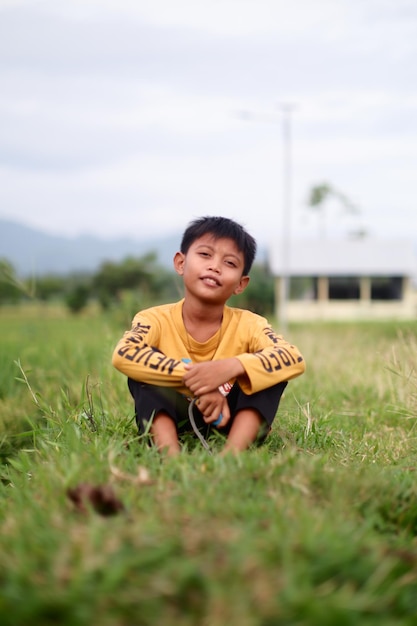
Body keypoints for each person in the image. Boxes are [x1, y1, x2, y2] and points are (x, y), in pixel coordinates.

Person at [112, 216, 305, 456]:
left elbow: (292, 357)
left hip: (229, 419)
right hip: (176, 414)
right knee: (142, 372)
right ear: (181, 263)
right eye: (205, 254)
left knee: (270, 374)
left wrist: (232, 367)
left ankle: (231, 455)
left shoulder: (250, 323)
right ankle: (169, 456)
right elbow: (124, 354)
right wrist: (200, 384)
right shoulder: (154, 319)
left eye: (230, 263)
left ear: (241, 284)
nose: (215, 266)